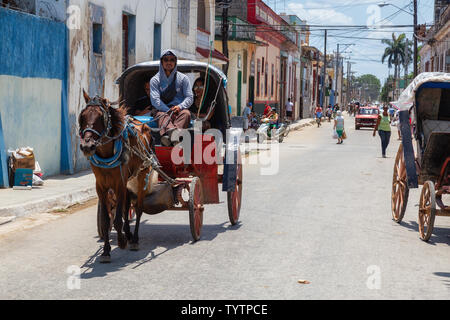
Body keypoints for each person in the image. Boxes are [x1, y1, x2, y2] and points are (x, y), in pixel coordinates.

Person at [150, 49, 193, 146]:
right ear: (161, 62)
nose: (169, 62)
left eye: (172, 60)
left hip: (179, 111)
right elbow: (155, 101)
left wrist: (179, 107)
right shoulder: (155, 80)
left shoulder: (183, 79)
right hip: (163, 110)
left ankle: (169, 137)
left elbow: (189, 97)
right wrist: (168, 110)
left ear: (175, 62)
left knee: (186, 114)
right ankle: (174, 136)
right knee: (161, 115)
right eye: (166, 60)